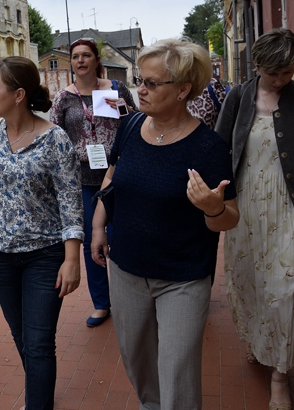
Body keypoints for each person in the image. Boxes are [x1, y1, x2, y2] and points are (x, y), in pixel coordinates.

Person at [90, 38, 239, 410]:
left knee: (177, 371)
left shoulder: (208, 148)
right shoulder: (130, 126)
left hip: (182, 278)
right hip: (126, 270)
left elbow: (229, 218)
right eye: (141, 80)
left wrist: (211, 208)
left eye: (152, 83)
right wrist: (97, 225)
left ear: (183, 89)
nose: (140, 89)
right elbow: (112, 176)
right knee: (138, 364)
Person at [215, 28, 294, 410]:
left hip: (289, 209)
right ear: (258, 66)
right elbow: (219, 150)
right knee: (248, 283)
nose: (281, 80)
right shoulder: (238, 96)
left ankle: (280, 374)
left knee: (285, 291)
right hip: (245, 209)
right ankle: (256, 339)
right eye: (273, 74)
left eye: (288, 73)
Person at [0, 56, 83, 410]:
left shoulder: (55, 139)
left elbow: (71, 202)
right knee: (21, 335)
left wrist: (71, 259)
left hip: (44, 255)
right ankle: (39, 391)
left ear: (18, 95)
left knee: (39, 342)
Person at [50, 37, 136, 327]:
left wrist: (122, 108)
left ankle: (130, 299)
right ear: (71, 62)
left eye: (86, 55)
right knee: (91, 243)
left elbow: (135, 123)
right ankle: (101, 303)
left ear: (96, 59)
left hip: (118, 177)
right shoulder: (64, 98)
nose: (81, 61)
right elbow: (53, 137)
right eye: (75, 56)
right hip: (83, 181)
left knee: (122, 237)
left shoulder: (115, 88)